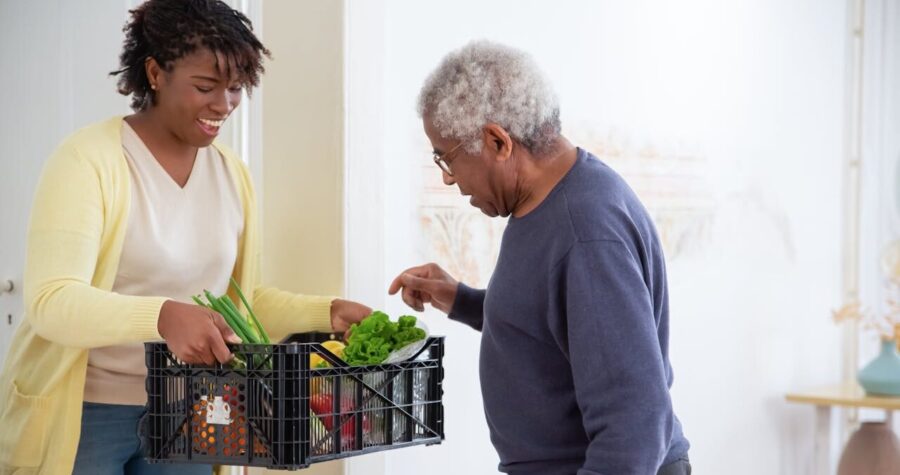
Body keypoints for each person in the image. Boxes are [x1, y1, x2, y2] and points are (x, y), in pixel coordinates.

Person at [0, 1, 371, 474]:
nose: (223, 105)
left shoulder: (232, 175)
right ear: (155, 73)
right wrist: (163, 316)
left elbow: (237, 302)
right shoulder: (87, 162)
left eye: (236, 89)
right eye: (204, 87)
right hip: (83, 412)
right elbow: (52, 301)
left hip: (187, 410)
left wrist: (325, 312)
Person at [389, 41, 691, 475]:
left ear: (497, 142)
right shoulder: (549, 203)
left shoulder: (585, 231)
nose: (448, 179)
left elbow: (636, 428)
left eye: (447, 157)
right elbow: (554, 320)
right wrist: (461, 299)